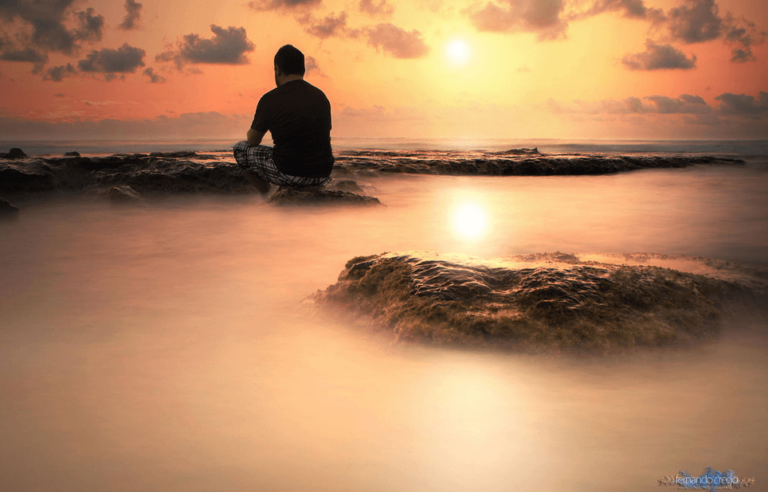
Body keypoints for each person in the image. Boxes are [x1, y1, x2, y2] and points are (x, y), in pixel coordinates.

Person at [233, 44, 334, 195]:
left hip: (289, 172)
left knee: (240, 148)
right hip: (322, 174)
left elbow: (253, 140)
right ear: (303, 70)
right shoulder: (321, 97)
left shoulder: (270, 99)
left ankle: (267, 196)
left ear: (277, 70)